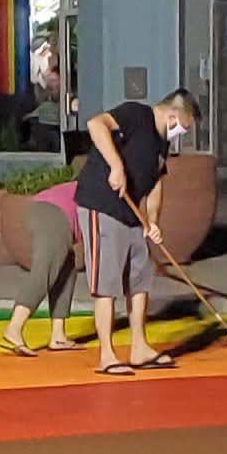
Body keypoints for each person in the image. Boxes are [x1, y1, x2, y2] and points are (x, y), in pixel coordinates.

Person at [74, 86, 173, 377]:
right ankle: (107, 354)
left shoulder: (162, 142)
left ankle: (140, 347)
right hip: (102, 205)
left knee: (140, 278)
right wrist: (116, 165)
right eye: (181, 125)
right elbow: (96, 124)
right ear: (171, 113)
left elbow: (156, 183)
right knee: (107, 281)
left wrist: (152, 221)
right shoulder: (135, 114)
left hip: (133, 214)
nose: (180, 132)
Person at [0, 176, 80, 356]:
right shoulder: (107, 190)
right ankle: (14, 328)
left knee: (67, 267)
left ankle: (58, 336)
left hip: (44, 209)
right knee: (45, 269)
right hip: (54, 213)